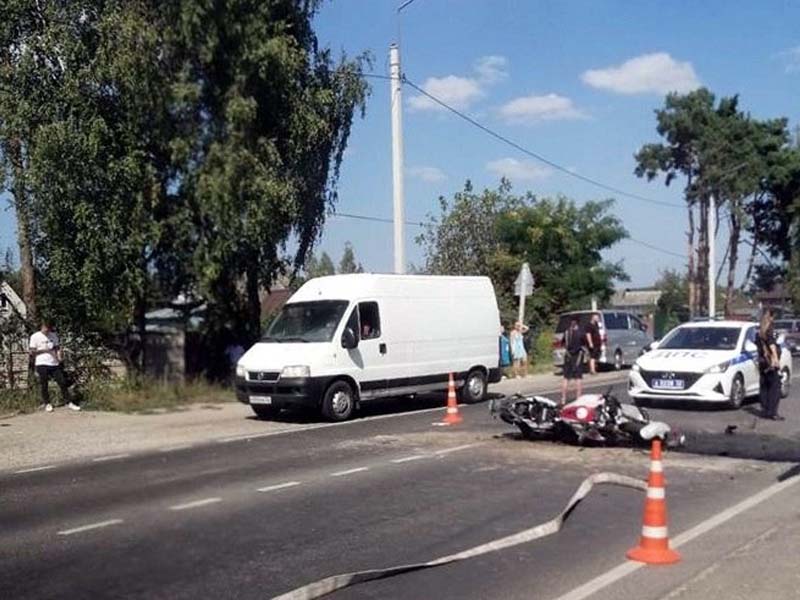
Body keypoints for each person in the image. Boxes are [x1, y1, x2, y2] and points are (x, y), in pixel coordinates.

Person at [29, 320, 79, 412]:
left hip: (53, 363)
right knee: (44, 384)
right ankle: (47, 403)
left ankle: (68, 402)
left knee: (62, 382)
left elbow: (57, 348)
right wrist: (44, 350)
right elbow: (32, 352)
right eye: (45, 328)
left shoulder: (53, 335)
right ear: (42, 327)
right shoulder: (35, 336)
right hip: (41, 363)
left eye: (48, 329)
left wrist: (59, 357)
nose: (46, 331)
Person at [756, 310, 783, 420]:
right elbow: (771, 344)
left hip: (762, 362)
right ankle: (772, 412)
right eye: (774, 317)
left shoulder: (759, 332)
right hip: (770, 361)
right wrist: (775, 359)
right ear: (771, 317)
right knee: (774, 387)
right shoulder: (769, 329)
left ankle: (765, 410)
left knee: (764, 386)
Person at [561, 317, 584, 405]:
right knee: (578, 379)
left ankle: (563, 399)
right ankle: (578, 399)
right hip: (577, 357)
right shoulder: (581, 333)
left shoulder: (566, 332)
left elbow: (563, 343)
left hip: (567, 356)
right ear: (577, 323)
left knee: (566, 378)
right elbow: (584, 344)